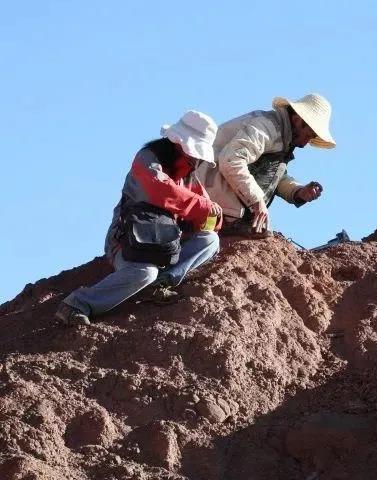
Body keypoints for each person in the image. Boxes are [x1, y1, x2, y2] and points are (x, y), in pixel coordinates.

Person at [55, 111, 223, 326]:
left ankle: (159, 284)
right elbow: (161, 190)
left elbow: (206, 214)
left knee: (210, 240)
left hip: (166, 244)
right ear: (177, 143)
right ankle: (76, 304)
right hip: (128, 241)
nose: (196, 159)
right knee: (145, 272)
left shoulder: (188, 175)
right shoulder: (147, 159)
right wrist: (203, 207)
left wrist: (211, 215)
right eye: (193, 152)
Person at [198, 93, 335, 238]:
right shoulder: (265, 127)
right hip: (209, 198)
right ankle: (228, 222)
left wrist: (297, 191)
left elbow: (273, 175)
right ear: (297, 120)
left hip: (219, 203)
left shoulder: (281, 136)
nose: (305, 144)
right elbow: (231, 161)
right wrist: (257, 201)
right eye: (308, 135)